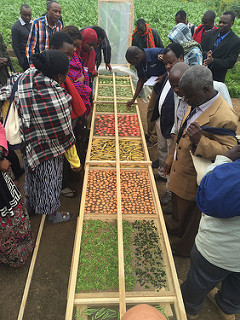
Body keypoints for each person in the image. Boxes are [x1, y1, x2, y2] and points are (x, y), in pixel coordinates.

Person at [164, 65, 238, 257]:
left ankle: (183, 248)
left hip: (195, 178)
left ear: (206, 90)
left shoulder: (224, 116)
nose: (185, 100)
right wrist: (171, 158)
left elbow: (231, 151)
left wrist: (201, 141)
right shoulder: (196, 101)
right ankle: (175, 228)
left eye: (188, 96)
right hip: (180, 169)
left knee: (191, 218)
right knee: (178, 206)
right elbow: (181, 133)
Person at [0, 50, 81, 223]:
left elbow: (7, 92)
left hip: (27, 143)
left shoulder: (26, 76)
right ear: (59, 76)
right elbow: (65, 135)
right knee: (50, 180)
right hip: (49, 150)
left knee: (32, 175)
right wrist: (75, 163)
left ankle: (31, 206)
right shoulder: (56, 97)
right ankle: (53, 215)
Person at [181, 145, 240, 320]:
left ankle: (190, 309)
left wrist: (224, 159)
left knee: (200, 279)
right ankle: (227, 308)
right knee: (236, 287)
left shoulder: (235, 176)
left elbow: (210, 192)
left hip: (219, 250)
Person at [49, 31, 87, 197]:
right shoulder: (50, 72)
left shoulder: (61, 67)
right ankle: (60, 186)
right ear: (52, 49)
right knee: (58, 157)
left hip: (69, 120)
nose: (68, 59)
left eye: (71, 55)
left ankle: (67, 178)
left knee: (67, 151)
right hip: (56, 129)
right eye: (66, 54)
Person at [0, 122, 34, 267]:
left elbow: (0, 129)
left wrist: (1, 153)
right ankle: (10, 256)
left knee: (15, 214)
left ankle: (21, 252)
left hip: (4, 178)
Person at [151, 43, 184, 184]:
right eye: (166, 64)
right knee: (162, 148)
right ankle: (161, 173)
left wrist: (176, 128)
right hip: (162, 119)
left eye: (171, 62)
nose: (168, 66)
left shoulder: (184, 76)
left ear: (181, 58)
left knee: (172, 153)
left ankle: (170, 185)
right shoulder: (170, 73)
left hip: (173, 125)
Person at [125, 45, 166, 147]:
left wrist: (164, 76)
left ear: (137, 58)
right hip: (156, 87)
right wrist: (133, 99)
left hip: (168, 87)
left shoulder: (157, 53)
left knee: (162, 112)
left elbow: (173, 64)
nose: (133, 65)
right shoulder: (139, 63)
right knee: (151, 110)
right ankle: (150, 134)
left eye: (132, 63)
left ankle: (155, 138)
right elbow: (141, 79)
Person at [201, 11, 240, 83]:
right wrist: (207, 54)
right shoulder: (209, 34)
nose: (221, 25)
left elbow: (230, 63)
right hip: (201, 73)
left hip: (217, 78)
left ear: (232, 23)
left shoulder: (235, 41)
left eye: (224, 23)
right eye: (220, 22)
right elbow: (200, 50)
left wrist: (213, 60)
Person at [62, 26, 92, 116]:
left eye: (77, 47)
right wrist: (79, 82)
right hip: (69, 104)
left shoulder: (74, 56)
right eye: (73, 45)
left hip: (78, 100)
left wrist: (83, 77)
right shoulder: (62, 60)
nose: (75, 49)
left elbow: (80, 71)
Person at [11, 4, 32, 71]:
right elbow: (15, 45)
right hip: (24, 58)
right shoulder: (16, 27)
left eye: (29, 15)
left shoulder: (33, 24)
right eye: (25, 15)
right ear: (20, 14)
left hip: (33, 56)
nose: (27, 17)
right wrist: (21, 59)